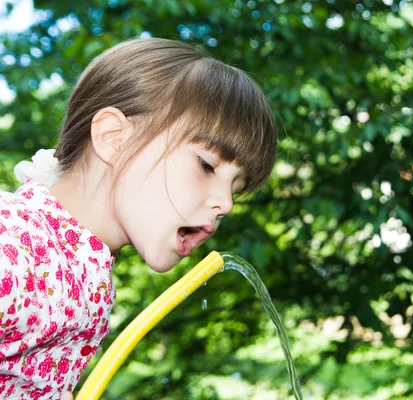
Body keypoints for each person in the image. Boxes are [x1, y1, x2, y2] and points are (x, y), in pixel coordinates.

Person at [0, 37, 277, 399]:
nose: (225, 204)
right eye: (207, 165)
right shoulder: (20, 245)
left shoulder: (76, 264)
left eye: (235, 189)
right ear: (114, 138)